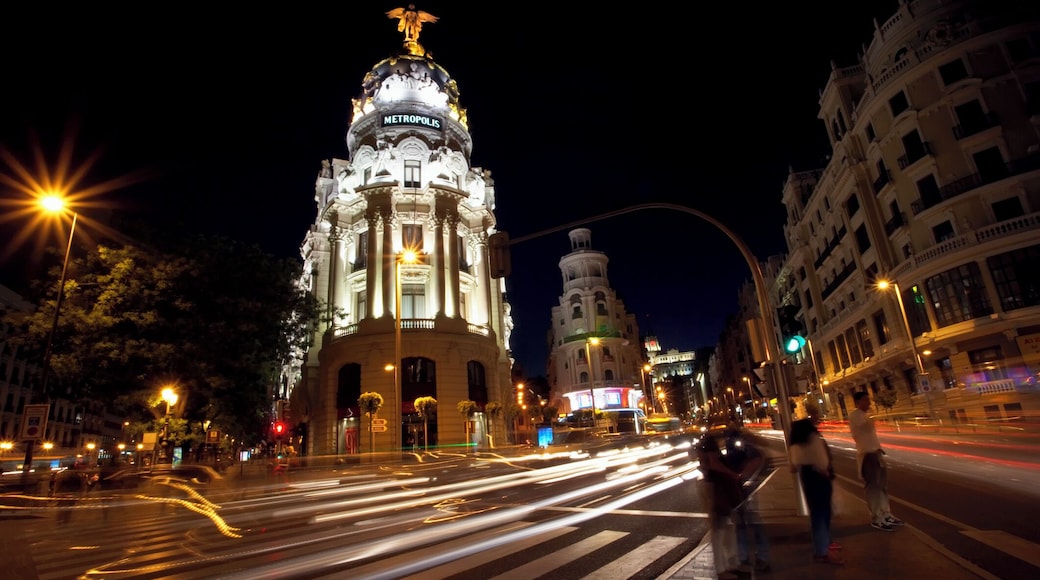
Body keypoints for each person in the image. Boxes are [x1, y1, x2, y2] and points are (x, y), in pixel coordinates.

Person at [789, 417, 844, 565]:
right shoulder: (813, 438)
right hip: (819, 475)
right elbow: (822, 460)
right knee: (822, 513)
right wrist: (826, 471)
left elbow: (793, 465)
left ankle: (823, 545)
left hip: (806, 476)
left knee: (816, 513)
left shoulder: (795, 443)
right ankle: (822, 551)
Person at [849, 390, 905, 531]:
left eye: (869, 399)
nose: (868, 402)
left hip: (876, 453)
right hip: (867, 455)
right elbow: (866, 427)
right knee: (873, 487)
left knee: (882, 486)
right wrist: (873, 414)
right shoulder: (855, 415)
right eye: (865, 400)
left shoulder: (865, 415)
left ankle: (886, 513)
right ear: (858, 402)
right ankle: (876, 517)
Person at [694, 433, 743, 579]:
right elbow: (713, 465)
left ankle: (730, 565)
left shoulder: (704, 450)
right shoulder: (709, 451)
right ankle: (723, 569)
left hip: (718, 492)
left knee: (726, 530)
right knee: (720, 532)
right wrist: (733, 474)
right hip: (718, 493)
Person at [722, 427, 771, 573]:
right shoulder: (733, 449)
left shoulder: (747, 448)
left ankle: (760, 557)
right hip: (739, 488)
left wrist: (743, 476)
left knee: (751, 522)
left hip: (746, 487)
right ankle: (745, 558)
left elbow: (757, 459)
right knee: (742, 524)